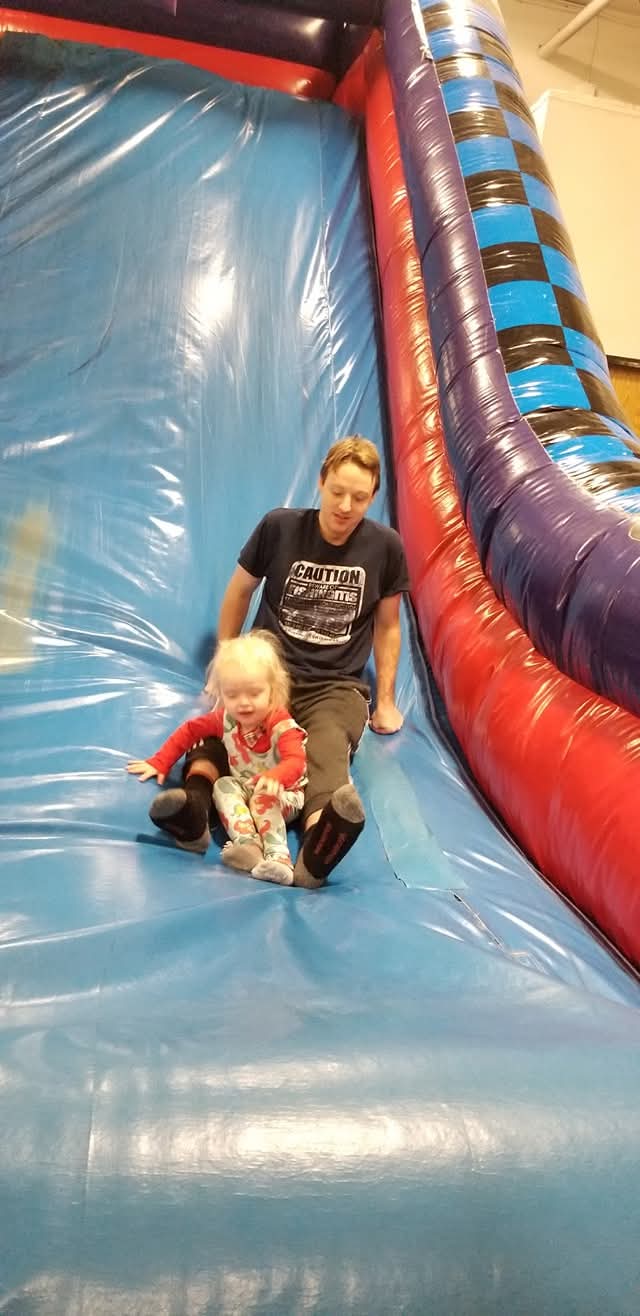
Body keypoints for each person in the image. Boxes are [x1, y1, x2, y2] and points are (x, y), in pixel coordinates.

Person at [145, 435, 410, 888]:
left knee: (325, 748)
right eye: (338, 491)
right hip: (267, 674)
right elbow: (240, 590)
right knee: (223, 729)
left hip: (335, 684)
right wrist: (226, 666)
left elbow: (388, 626)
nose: (346, 506)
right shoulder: (280, 527)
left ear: (373, 496)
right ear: (321, 482)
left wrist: (385, 700)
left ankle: (315, 849)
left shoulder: (385, 547)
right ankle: (192, 809)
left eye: (360, 497)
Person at [127, 631, 307, 885]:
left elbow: (296, 762)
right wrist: (160, 761)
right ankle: (248, 847)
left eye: (254, 694)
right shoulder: (226, 719)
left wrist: (275, 777)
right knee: (223, 785)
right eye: (232, 695)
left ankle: (279, 860)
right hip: (247, 788)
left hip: (283, 795)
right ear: (222, 693)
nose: (243, 704)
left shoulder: (281, 725)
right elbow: (190, 731)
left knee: (262, 798)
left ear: (272, 691)